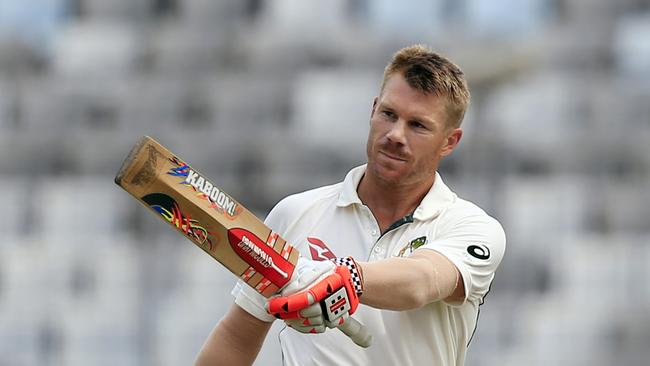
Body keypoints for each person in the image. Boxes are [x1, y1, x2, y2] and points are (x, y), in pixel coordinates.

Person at [195, 44, 506, 366]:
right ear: (373, 110)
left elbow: (423, 280)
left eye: (418, 125)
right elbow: (237, 336)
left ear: (449, 141)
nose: (396, 134)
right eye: (389, 114)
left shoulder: (472, 227)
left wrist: (347, 278)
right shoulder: (296, 213)